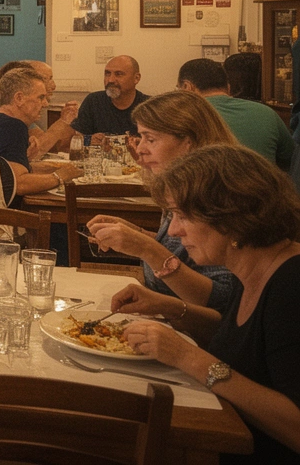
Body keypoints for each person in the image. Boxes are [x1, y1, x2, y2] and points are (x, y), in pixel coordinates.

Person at [111, 145, 300, 463]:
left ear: (231, 217)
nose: (173, 230)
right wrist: (169, 308)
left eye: (183, 215)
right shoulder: (255, 266)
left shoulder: (291, 285)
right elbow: (247, 345)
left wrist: (187, 356)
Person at [86, 91, 239, 313]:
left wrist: (145, 247)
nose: (139, 149)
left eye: (151, 139)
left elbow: (222, 299)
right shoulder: (180, 187)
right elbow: (182, 250)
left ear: (188, 142)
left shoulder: (216, 197)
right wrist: (136, 234)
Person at [0, 66, 83, 260]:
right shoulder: (12, 126)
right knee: (59, 226)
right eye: (40, 98)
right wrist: (59, 177)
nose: (45, 104)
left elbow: (3, 171)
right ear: (19, 98)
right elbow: (19, 184)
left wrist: (51, 167)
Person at [178, 58, 293, 169]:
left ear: (187, 87)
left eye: (178, 88)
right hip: (262, 186)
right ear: (228, 87)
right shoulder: (267, 113)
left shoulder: (180, 118)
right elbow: (290, 159)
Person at [0, 60, 80, 157]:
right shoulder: (7, 120)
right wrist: (63, 122)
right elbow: (36, 151)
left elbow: (55, 147)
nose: (53, 86)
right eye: (47, 79)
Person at [71, 55, 149, 145]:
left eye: (119, 74)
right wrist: (88, 140)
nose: (111, 80)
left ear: (136, 78)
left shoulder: (149, 107)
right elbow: (74, 140)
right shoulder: (93, 101)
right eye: (107, 74)